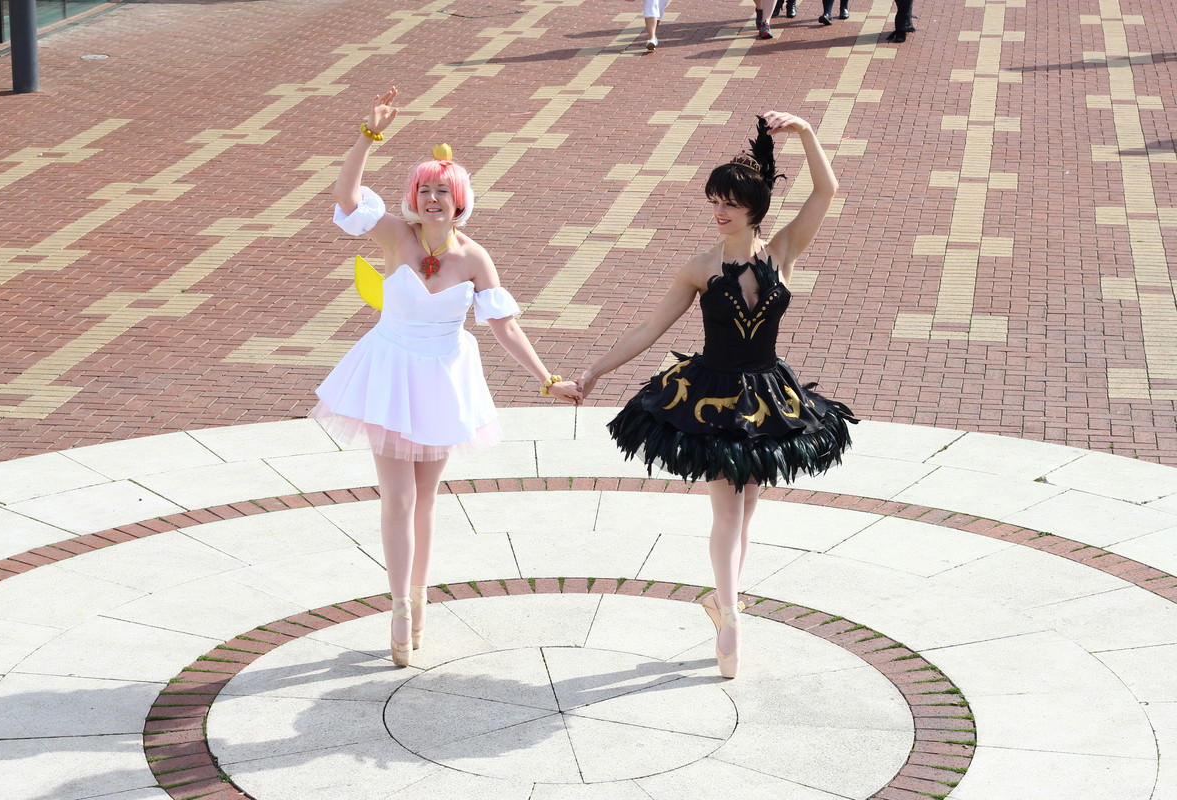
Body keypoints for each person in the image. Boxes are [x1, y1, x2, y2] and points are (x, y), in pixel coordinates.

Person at [577, 113, 857, 679]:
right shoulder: (701, 268)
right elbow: (650, 328)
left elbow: (826, 191)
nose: (719, 211)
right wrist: (594, 373)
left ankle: (725, 604)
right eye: (714, 201)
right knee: (728, 511)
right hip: (714, 398)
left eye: (729, 203)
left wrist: (806, 132)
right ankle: (729, 619)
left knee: (746, 509)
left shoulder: (781, 252)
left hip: (768, 395)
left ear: (754, 207)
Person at [313, 87, 581, 668]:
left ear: (460, 201)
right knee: (398, 496)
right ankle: (398, 607)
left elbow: (505, 327)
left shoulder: (475, 258)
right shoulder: (395, 235)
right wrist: (367, 136)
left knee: (426, 499)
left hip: (441, 378)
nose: (433, 199)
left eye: (443, 191)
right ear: (414, 196)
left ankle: (419, 598)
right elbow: (346, 197)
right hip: (390, 371)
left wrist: (547, 380)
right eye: (425, 190)